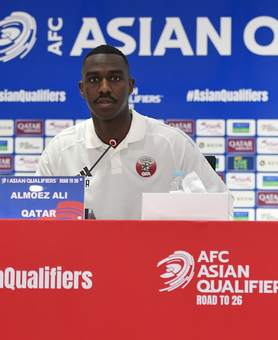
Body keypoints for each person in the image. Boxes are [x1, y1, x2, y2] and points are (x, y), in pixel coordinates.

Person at [36, 45, 229, 219]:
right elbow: (36, 219)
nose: (104, 88)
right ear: (82, 89)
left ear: (130, 86)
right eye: (94, 80)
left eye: (115, 78)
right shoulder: (60, 151)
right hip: (84, 256)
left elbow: (223, 207)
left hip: (159, 256)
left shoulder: (172, 143)